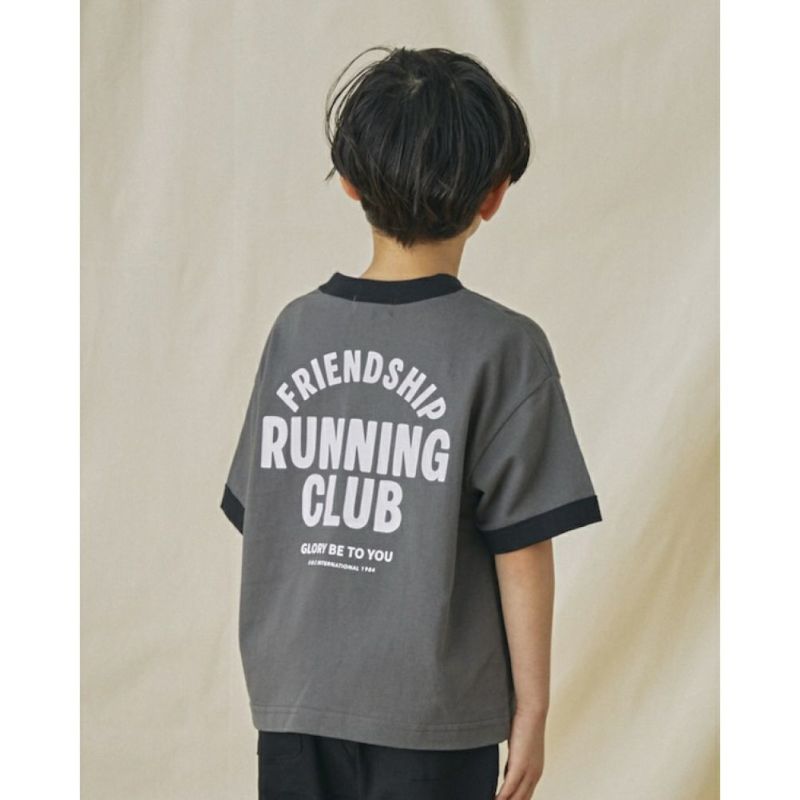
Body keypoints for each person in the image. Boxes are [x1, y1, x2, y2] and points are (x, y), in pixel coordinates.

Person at [221, 45, 602, 800]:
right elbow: (523, 548)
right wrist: (532, 709)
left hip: (295, 703)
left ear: (349, 181)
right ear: (494, 195)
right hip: (435, 717)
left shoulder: (295, 331)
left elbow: (265, 514)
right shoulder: (504, 347)